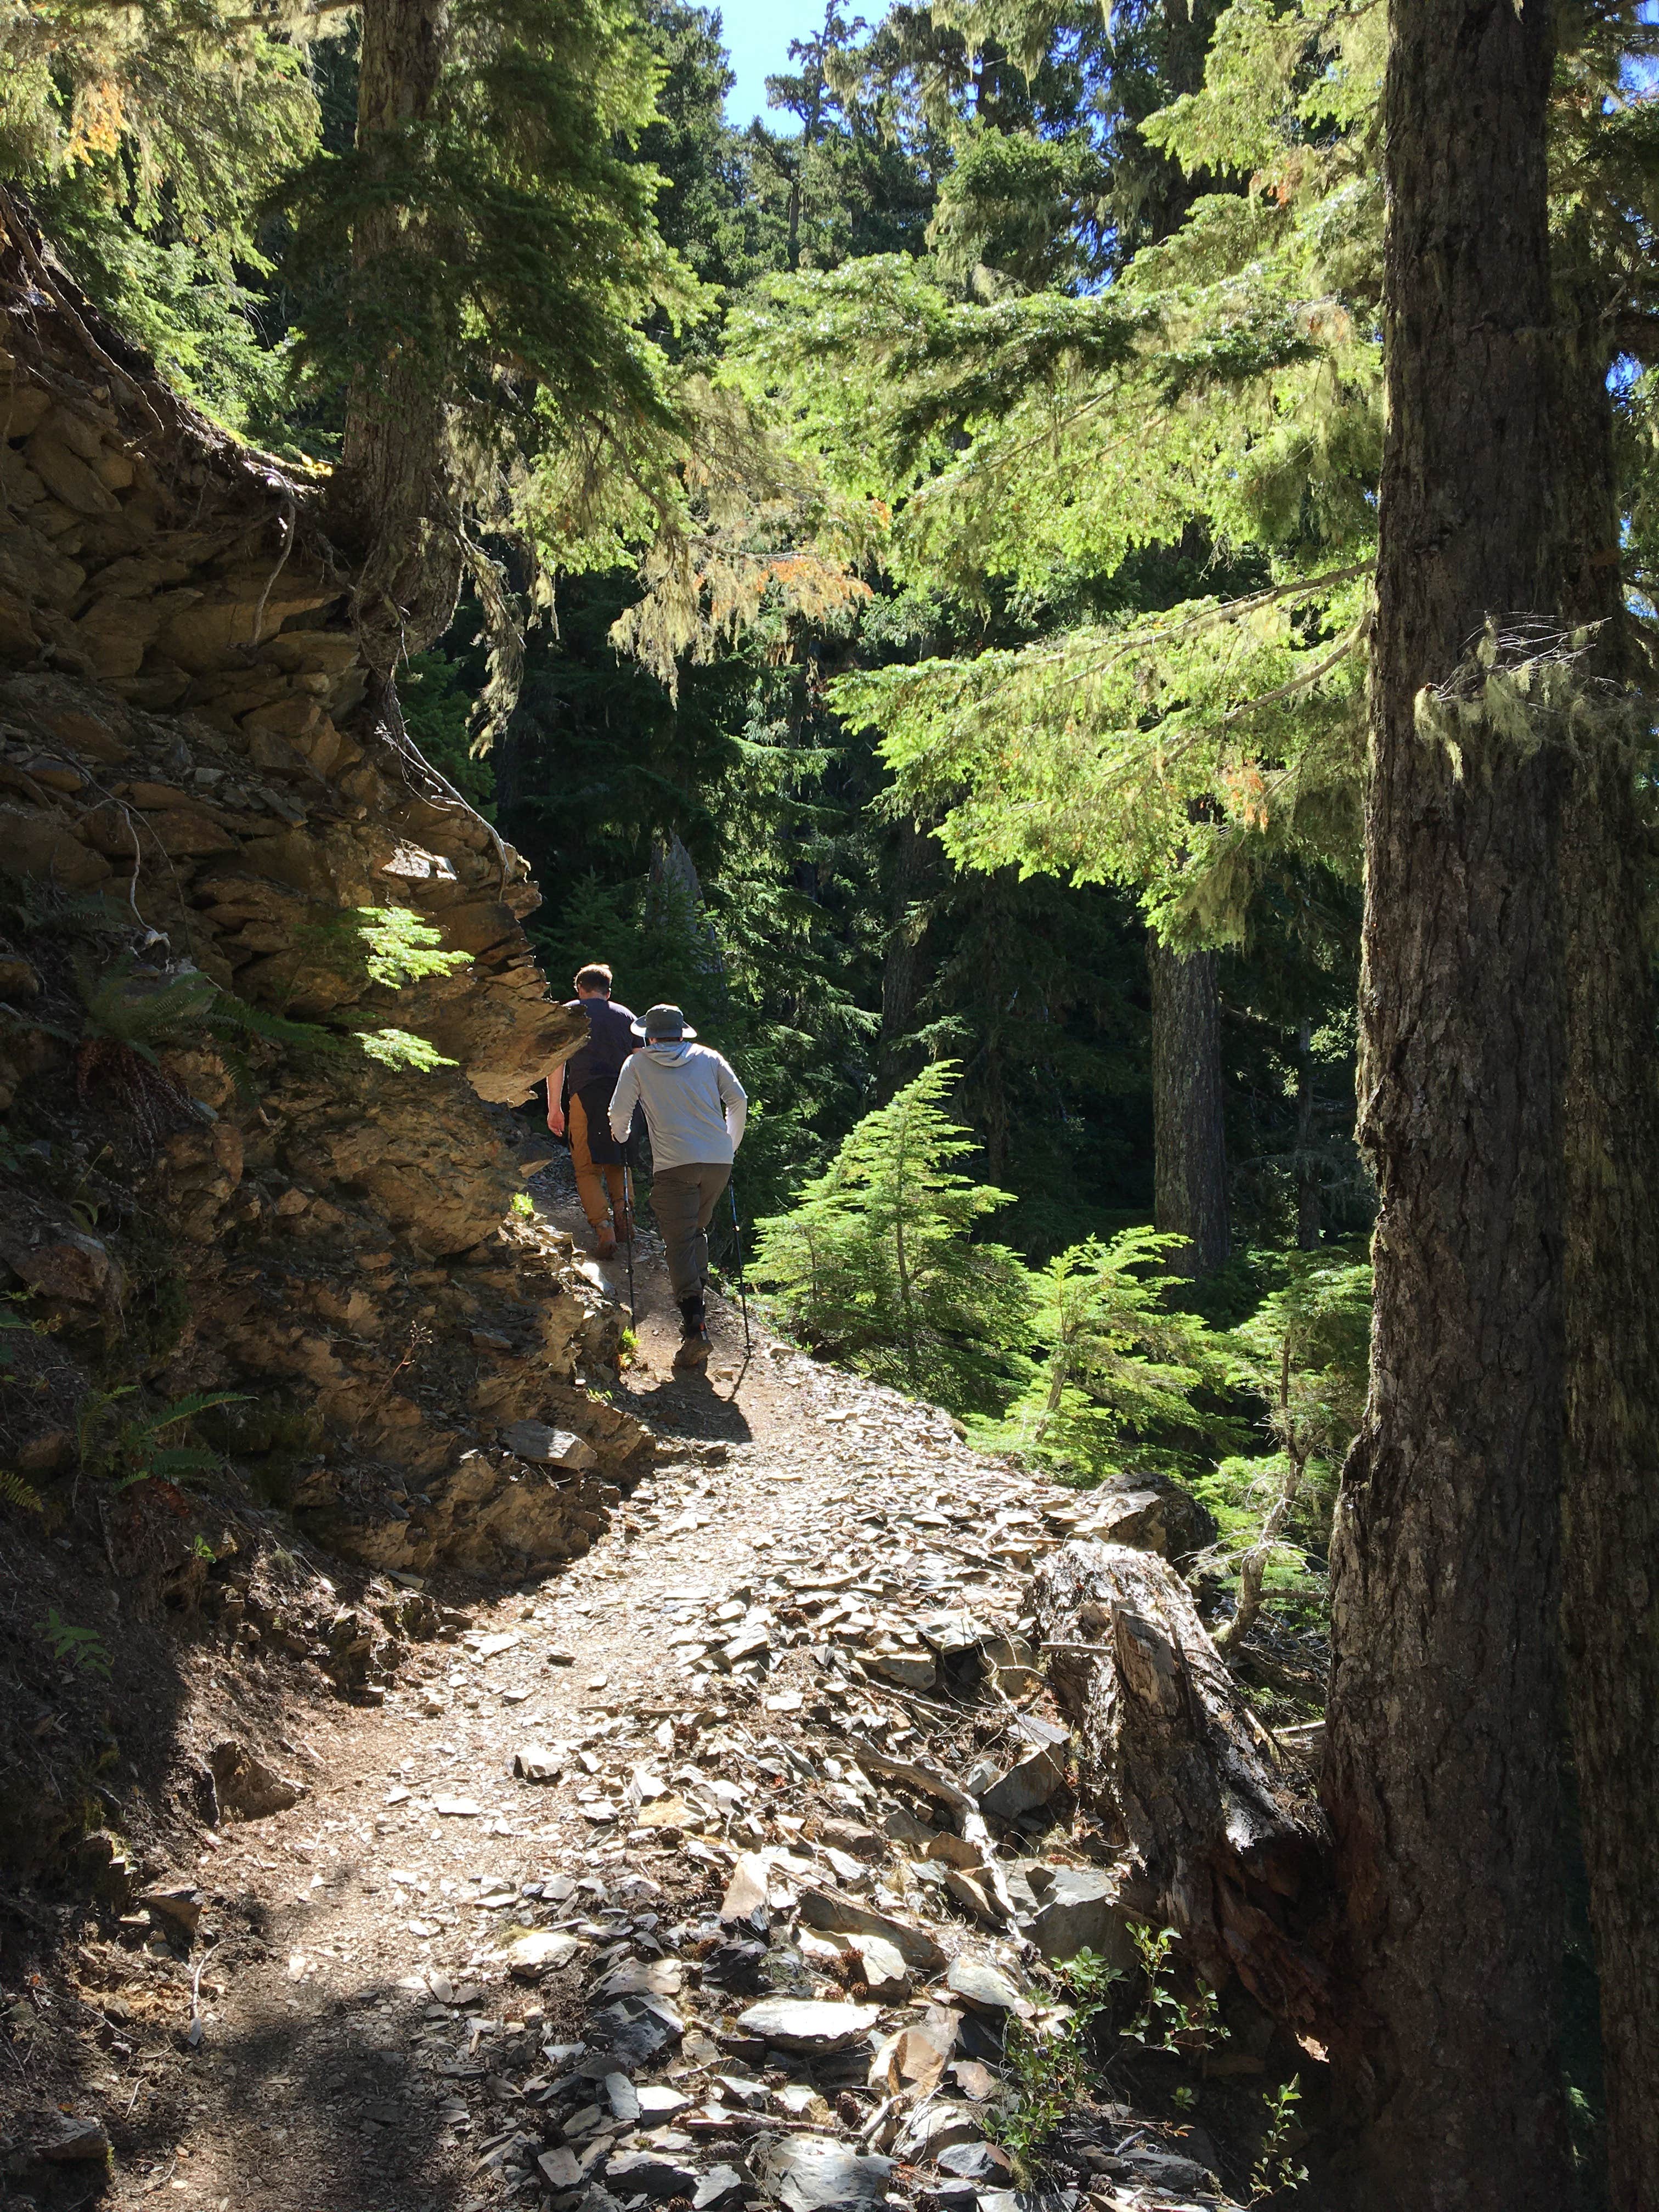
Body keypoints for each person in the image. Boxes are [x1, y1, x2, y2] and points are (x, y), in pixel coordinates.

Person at [607, 1003, 746, 1370]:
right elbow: (739, 1100)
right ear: (682, 1032)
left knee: (680, 1241)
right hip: (717, 1161)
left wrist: (620, 1137)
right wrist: (729, 1144)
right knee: (695, 1232)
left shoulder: (637, 1063)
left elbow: (620, 1112)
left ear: (650, 1036)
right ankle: (697, 1309)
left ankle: (695, 1325)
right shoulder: (709, 1057)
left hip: (674, 1165)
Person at [547, 963, 636, 1259]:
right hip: (624, 1097)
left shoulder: (569, 1013)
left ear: (580, 989)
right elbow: (640, 1064)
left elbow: (556, 1064)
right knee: (618, 1161)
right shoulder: (628, 1018)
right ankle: (625, 1215)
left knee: (586, 1169)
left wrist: (554, 1109)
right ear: (608, 992)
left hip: (585, 1095)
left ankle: (604, 1228)